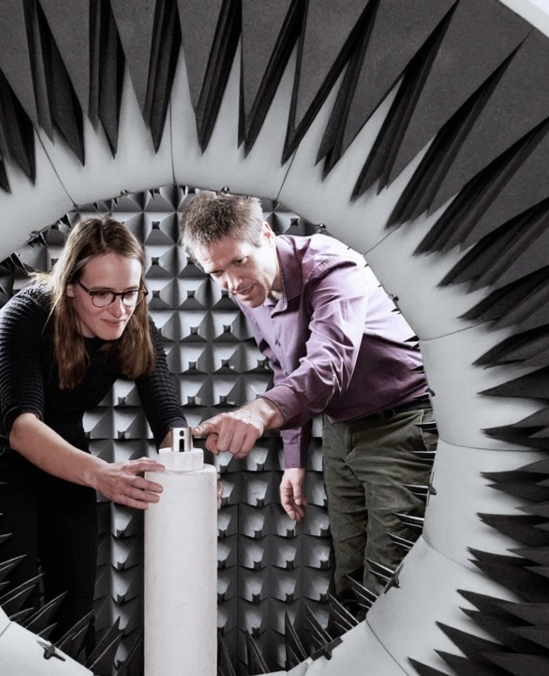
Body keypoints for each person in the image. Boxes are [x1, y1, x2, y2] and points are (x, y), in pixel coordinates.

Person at [181, 192, 434, 601]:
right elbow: (285, 368)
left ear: (265, 234)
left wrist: (260, 413)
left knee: (391, 578)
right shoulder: (250, 289)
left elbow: (328, 363)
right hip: (340, 431)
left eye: (239, 261)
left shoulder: (331, 265)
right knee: (348, 572)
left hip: (400, 426)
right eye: (216, 272)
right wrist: (294, 461)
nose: (231, 283)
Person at [0, 216, 186, 637]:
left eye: (130, 293)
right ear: (70, 286)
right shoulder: (25, 316)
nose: (119, 309)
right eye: (101, 294)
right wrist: (102, 475)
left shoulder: (134, 319)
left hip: (67, 452)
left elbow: (167, 413)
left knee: (76, 606)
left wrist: (193, 472)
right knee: (11, 606)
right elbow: (23, 427)